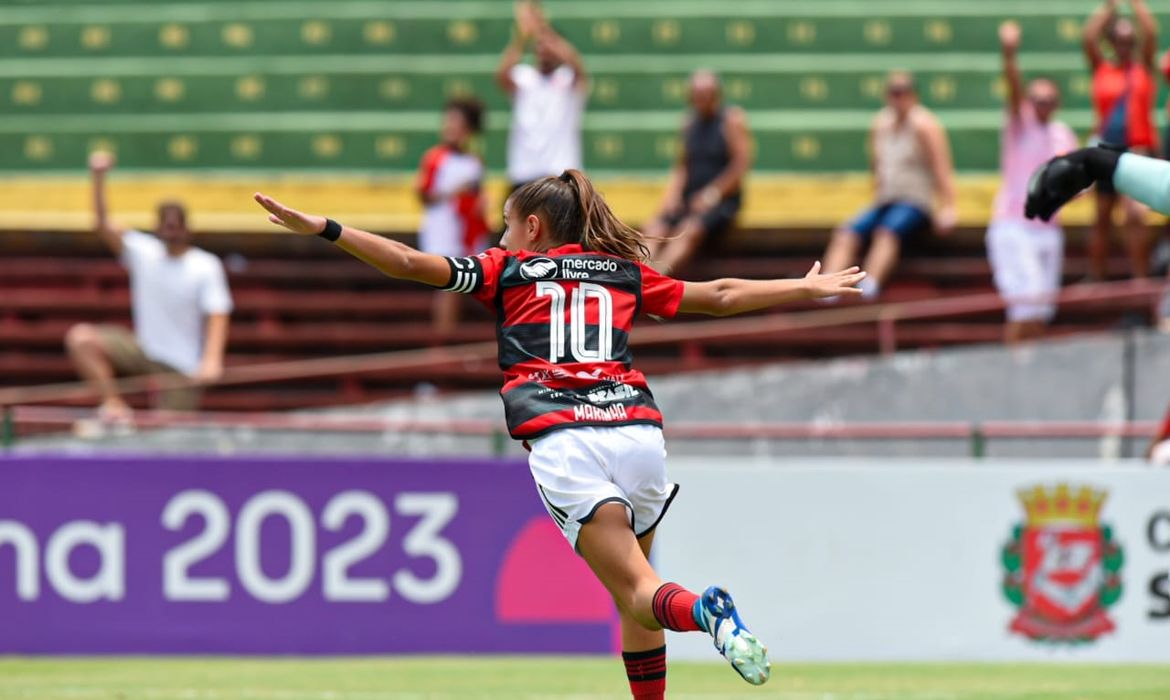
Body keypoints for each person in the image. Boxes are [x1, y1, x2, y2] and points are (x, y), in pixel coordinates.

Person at [253, 170, 866, 696]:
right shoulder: (619, 272)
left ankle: (706, 611)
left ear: (533, 229)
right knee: (638, 588)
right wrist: (803, 286)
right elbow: (720, 294)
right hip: (637, 435)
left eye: (505, 223)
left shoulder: (507, 270)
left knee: (639, 592)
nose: (499, 236)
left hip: (568, 439)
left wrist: (327, 230)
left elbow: (413, 263)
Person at [65, 151, 233, 424]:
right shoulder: (144, 252)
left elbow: (218, 313)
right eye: (166, 224)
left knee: (166, 433)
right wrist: (98, 178)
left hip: (182, 365)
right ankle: (113, 406)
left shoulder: (205, 265)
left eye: (175, 225)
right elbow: (103, 224)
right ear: (157, 226)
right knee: (82, 338)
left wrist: (212, 360)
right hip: (143, 351)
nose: (171, 230)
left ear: (186, 227)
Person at [821, 71, 957, 300]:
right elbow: (876, 166)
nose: (897, 98)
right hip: (885, 199)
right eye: (893, 92)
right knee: (846, 233)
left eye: (902, 92)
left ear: (913, 95)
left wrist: (948, 206)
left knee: (887, 232)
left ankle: (870, 284)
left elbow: (941, 167)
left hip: (915, 201)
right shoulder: (880, 123)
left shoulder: (924, 124)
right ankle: (826, 286)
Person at [987, 21, 1080, 344]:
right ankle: (1011, 371)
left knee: (1041, 312)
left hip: (1049, 230)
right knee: (1025, 309)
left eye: (1048, 100)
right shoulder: (1020, 124)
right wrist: (1009, 54)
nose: (1041, 105)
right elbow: (1013, 87)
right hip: (1015, 227)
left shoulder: (1062, 134)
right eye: (1036, 99)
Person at [642, 70, 752, 276]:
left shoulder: (731, 120)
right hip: (690, 197)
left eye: (707, 96)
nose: (702, 101)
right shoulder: (689, 123)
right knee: (654, 228)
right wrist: (672, 197)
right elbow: (683, 165)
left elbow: (740, 163)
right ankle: (637, 276)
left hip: (721, 200)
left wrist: (713, 194)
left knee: (689, 231)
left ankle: (656, 279)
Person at [1082, 0, 1158, 280]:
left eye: (1129, 39)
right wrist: (1110, 7)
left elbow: (1151, 33)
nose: (1125, 44)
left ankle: (1141, 278)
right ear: (1111, 41)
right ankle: (1096, 277)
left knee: (1134, 216)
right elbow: (1089, 36)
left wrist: (1137, 4)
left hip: (1136, 149)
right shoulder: (1102, 69)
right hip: (1106, 149)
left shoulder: (1143, 69)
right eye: (1119, 39)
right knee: (1102, 217)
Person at [416, 97, 489, 339]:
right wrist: (455, 191)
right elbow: (424, 193)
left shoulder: (474, 160)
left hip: (467, 230)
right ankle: (441, 342)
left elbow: (479, 195)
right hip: (444, 229)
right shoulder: (436, 157)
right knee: (449, 286)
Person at [496, 0, 587, 194]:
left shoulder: (567, 79)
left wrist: (543, 28)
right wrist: (522, 36)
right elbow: (502, 76)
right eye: (539, 46)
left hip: (561, 174)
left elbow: (578, 66)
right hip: (524, 172)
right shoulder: (524, 77)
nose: (543, 50)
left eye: (548, 46)